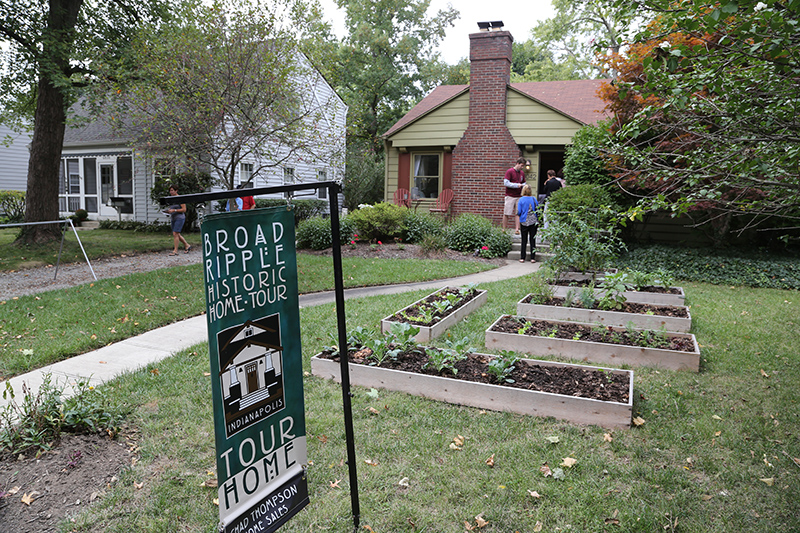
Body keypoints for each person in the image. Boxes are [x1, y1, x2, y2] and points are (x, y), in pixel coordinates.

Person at [517, 184, 539, 263]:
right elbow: (538, 209)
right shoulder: (534, 199)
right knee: (533, 239)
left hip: (524, 221)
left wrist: (519, 215)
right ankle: (533, 258)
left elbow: (519, 211)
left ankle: (522, 257)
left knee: (524, 240)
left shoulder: (521, 199)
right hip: (533, 221)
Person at [503, 157, 527, 233]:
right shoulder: (509, 171)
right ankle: (504, 229)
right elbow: (506, 183)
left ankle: (517, 229)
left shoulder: (522, 173)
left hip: (519, 196)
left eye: (523, 166)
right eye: (521, 165)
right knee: (507, 212)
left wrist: (523, 185)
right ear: (517, 163)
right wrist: (516, 185)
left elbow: (524, 182)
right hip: (510, 195)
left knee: (518, 213)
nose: (522, 167)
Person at [166, 185, 191, 255]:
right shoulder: (171, 199)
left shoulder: (180, 198)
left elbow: (184, 209)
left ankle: (175, 251)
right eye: (170, 190)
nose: (171, 192)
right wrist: (169, 211)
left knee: (175, 234)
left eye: (172, 190)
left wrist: (175, 210)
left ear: (176, 190)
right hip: (173, 218)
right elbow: (172, 208)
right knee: (177, 234)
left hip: (180, 218)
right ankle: (187, 245)